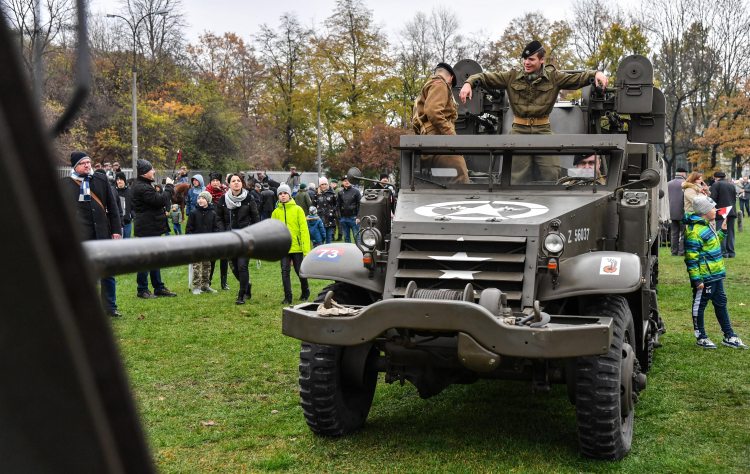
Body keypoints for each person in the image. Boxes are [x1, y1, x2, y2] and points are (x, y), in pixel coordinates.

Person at [460, 40, 608, 183]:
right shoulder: (512, 77)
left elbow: (578, 79)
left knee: (551, 172)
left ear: (542, 60)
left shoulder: (553, 78)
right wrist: (469, 83)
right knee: (515, 175)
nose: (526, 63)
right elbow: (486, 78)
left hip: (543, 130)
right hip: (519, 130)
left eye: (531, 59)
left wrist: (596, 73)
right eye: (524, 59)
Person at [64, 151, 123, 317]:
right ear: (75, 166)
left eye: (88, 162)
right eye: (83, 163)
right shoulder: (66, 185)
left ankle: (110, 307)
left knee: (107, 271)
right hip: (81, 236)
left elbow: (112, 207)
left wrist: (116, 230)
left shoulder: (100, 180)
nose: (87, 166)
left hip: (102, 233)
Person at [683, 195, 746, 349]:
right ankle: (701, 337)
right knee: (700, 305)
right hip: (705, 278)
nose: (716, 210)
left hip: (716, 275)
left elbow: (713, 243)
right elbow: (691, 259)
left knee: (721, 303)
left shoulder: (708, 224)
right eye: (713, 208)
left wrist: (723, 233)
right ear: (705, 211)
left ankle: (729, 335)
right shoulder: (694, 231)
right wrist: (697, 280)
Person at [412, 62, 468, 183]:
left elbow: (417, 123)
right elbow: (433, 111)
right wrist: (452, 137)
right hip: (441, 142)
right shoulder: (440, 83)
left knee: (445, 183)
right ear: (451, 78)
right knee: (461, 180)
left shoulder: (427, 87)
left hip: (429, 142)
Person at [130, 159, 178, 299]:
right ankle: (142, 289)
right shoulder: (142, 187)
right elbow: (161, 201)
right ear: (145, 173)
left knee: (155, 257)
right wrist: (169, 187)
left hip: (152, 226)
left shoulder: (144, 184)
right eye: (151, 169)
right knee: (146, 258)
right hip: (147, 227)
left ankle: (158, 287)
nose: (154, 171)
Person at [217, 173, 261, 304]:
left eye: (238, 181)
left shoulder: (249, 198)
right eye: (233, 181)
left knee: (242, 266)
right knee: (235, 268)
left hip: (245, 237)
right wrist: (224, 232)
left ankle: (241, 295)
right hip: (230, 238)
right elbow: (219, 218)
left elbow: (255, 218)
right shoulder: (223, 199)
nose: (236, 183)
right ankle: (247, 285)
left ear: (242, 183)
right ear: (229, 184)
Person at [272, 184, 311, 304]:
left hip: (296, 247)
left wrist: (306, 249)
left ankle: (305, 290)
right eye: (280, 194)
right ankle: (288, 295)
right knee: (285, 271)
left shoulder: (298, 209)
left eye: (285, 193)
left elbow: (304, 230)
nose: (283, 196)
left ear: (289, 195)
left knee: (299, 270)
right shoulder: (275, 212)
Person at [186, 191, 219, 294]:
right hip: (196, 243)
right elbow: (189, 229)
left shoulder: (213, 214)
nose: (200, 200)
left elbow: (215, 228)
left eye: (203, 198)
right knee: (197, 266)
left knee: (207, 265)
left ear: (208, 201)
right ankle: (196, 286)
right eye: (199, 198)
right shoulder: (193, 213)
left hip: (208, 244)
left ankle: (205, 285)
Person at [206, 171, 230, 289]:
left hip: (224, 228)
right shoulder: (206, 194)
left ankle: (223, 282)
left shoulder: (226, 194)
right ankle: (208, 281)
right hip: (211, 230)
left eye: (217, 181)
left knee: (224, 257)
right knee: (212, 258)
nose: (215, 183)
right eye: (213, 181)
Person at [709, 171, 736, 258]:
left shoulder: (716, 185)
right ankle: (731, 252)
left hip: (721, 211)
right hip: (732, 210)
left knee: (722, 231)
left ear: (716, 178)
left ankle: (723, 252)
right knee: (730, 232)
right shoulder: (731, 185)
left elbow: (713, 199)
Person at [667, 167, 688, 256]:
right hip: (682, 212)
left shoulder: (668, 184)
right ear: (683, 174)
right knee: (683, 233)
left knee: (674, 233)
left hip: (671, 212)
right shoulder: (686, 184)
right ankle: (681, 251)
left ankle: (673, 251)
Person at [338, 175, 361, 243]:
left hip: (354, 218)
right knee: (346, 237)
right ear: (343, 182)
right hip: (344, 218)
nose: (346, 182)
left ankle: (359, 251)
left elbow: (360, 204)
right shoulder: (340, 192)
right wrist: (340, 217)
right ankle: (349, 252)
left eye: (348, 180)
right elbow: (338, 205)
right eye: (345, 181)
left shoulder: (356, 192)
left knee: (356, 236)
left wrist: (358, 217)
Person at [314, 177, 337, 244]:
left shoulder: (332, 192)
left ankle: (328, 250)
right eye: (322, 184)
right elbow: (313, 205)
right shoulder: (316, 193)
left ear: (327, 184)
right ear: (320, 185)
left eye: (325, 184)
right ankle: (321, 251)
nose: (324, 186)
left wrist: (332, 211)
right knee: (321, 236)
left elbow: (336, 204)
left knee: (328, 236)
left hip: (330, 217)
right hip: (320, 218)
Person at [115, 171, 134, 239]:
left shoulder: (130, 191)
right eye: (117, 180)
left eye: (121, 179)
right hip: (117, 223)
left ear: (124, 180)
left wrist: (131, 214)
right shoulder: (113, 191)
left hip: (127, 222)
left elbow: (133, 205)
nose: (119, 181)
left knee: (126, 243)